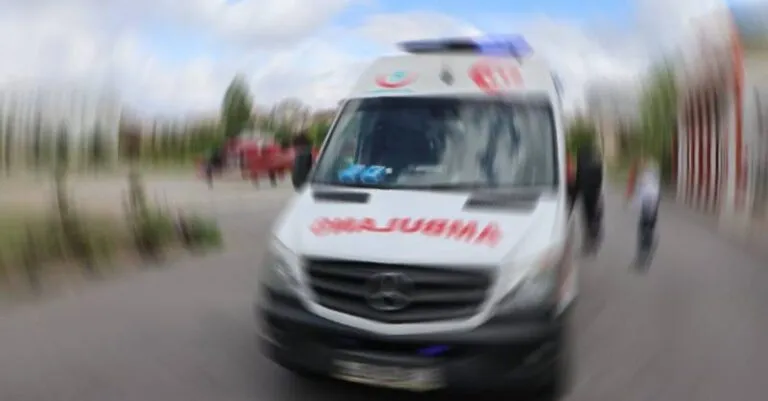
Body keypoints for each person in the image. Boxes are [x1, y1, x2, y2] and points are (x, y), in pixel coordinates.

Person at [625, 155, 661, 269]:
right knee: (647, 229)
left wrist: (631, 203)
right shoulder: (652, 172)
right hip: (653, 203)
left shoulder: (644, 177)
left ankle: (642, 259)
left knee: (644, 231)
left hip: (648, 204)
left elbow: (642, 194)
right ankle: (645, 252)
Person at [575, 145, 603, 253]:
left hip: (586, 194)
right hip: (594, 193)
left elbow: (578, 179)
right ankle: (593, 239)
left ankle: (589, 241)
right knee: (593, 216)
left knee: (587, 218)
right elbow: (600, 178)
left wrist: (575, 193)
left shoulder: (582, 163)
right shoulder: (596, 162)